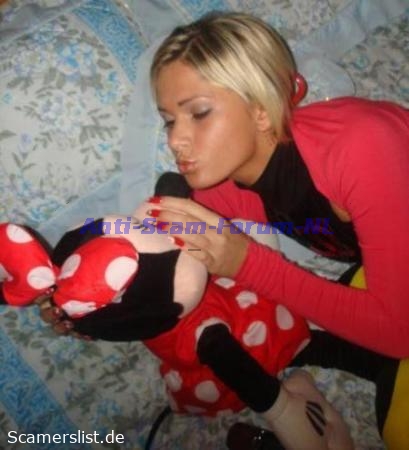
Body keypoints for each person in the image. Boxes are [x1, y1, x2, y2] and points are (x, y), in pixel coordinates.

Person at [145, 11, 409, 449]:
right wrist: (81, 296)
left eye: (199, 113)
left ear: (260, 111)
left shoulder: (359, 146)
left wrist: (248, 262)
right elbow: (143, 240)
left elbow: (400, 332)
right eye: (169, 120)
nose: (175, 140)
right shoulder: (228, 186)